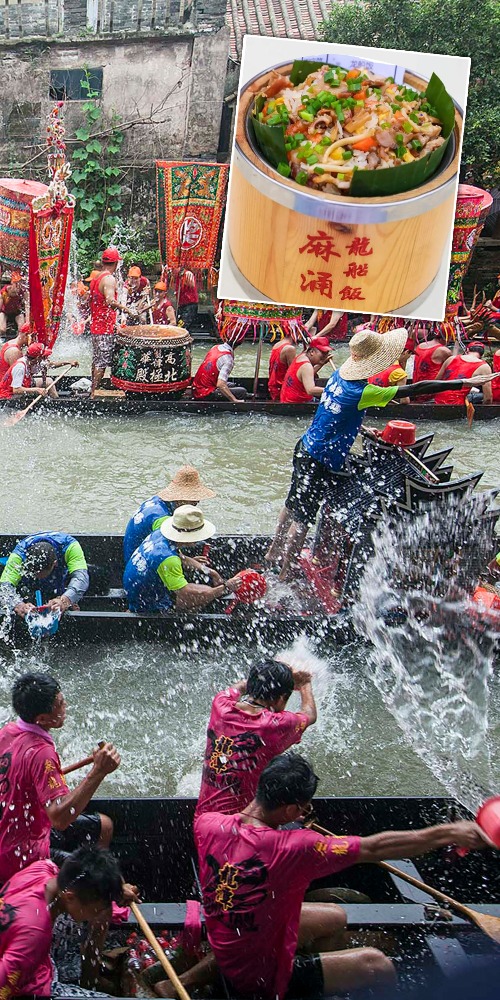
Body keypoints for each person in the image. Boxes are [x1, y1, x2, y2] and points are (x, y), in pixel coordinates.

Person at [194, 753, 486, 1000]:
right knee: (377, 963)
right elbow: (377, 847)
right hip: (260, 981)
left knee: (334, 916)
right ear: (292, 809)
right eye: (304, 808)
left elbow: (255, 833)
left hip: (230, 942)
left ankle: (318, 977)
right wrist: (448, 832)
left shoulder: (208, 824)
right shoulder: (299, 847)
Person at [266, 329, 497, 580]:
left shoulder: (338, 375)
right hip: (320, 459)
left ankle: (272, 553)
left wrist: (361, 428)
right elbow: (417, 388)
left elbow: (331, 413)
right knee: (303, 519)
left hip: (305, 448)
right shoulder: (363, 392)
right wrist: (463, 383)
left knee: (291, 504)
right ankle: (286, 572)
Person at [0, 673, 120, 884]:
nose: (66, 706)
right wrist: (98, 772)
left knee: (105, 825)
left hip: (8, 834)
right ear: (42, 719)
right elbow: (60, 819)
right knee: (94, 878)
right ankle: (85, 900)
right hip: (21, 856)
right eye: (60, 704)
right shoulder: (41, 752)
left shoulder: (8, 732)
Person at [0, 847, 134, 998]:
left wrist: (115, 888)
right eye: (96, 909)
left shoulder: (43, 867)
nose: (97, 913)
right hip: (30, 989)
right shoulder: (35, 934)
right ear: (70, 897)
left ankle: (90, 981)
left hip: (22, 946)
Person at [196, 659, 316, 817]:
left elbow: (238, 687)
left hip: (204, 821)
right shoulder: (275, 724)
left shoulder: (221, 705)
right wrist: (304, 683)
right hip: (242, 828)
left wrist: (260, 679)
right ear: (281, 699)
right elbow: (309, 714)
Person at [123, 504, 241, 613]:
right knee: (201, 597)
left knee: (206, 590)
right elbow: (186, 594)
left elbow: (181, 557)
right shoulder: (168, 560)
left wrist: (210, 572)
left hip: (134, 588)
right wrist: (224, 588)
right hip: (145, 602)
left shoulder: (160, 534)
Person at [123, 465, 216, 564]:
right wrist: (194, 564)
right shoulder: (161, 519)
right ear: (180, 498)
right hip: (141, 562)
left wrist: (187, 559)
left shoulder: (158, 501)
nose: (197, 501)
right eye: (193, 499)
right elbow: (162, 550)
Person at [0, 531, 90, 618]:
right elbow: (4, 587)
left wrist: (65, 600)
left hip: (60, 576)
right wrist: (18, 604)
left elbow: (81, 578)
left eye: (40, 574)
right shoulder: (19, 555)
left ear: (55, 563)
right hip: (28, 583)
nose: (37, 576)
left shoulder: (71, 547)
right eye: (34, 573)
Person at [89, 247, 136, 395]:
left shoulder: (96, 277)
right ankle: (94, 392)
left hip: (97, 326)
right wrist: (127, 310)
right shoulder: (109, 279)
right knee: (102, 362)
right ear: (116, 264)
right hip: (103, 328)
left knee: (97, 360)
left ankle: (93, 389)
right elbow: (109, 300)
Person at [0, 342, 77, 400]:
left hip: (24, 384)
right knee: (47, 383)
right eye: (43, 356)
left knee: (49, 381)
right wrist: (37, 390)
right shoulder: (20, 367)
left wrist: (68, 362)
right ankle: (55, 405)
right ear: (37, 358)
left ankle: (55, 401)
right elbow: (16, 390)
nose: (46, 357)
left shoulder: (35, 361)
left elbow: (52, 365)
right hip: (7, 395)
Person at [280, 337, 332, 403]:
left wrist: (321, 364)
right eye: (323, 353)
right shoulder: (307, 366)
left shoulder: (302, 356)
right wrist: (332, 390)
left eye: (327, 353)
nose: (325, 356)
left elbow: (306, 376)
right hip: (296, 403)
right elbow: (310, 390)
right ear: (312, 352)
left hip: (286, 399)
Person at [412, 335, 452, 401]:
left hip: (416, 390)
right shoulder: (444, 350)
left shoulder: (420, 345)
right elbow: (452, 368)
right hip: (431, 393)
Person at [268, 333, 300, 401]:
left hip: (273, 386)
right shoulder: (290, 349)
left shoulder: (278, 344)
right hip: (281, 389)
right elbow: (294, 374)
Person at [0, 270, 26, 336]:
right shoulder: (3, 292)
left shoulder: (23, 291)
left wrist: (27, 321)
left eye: (20, 283)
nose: (19, 286)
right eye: (16, 283)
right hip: (4, 312)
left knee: (22, 329)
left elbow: (27, 306)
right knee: (2, 329)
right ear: (12, 283)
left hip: (17, 312)